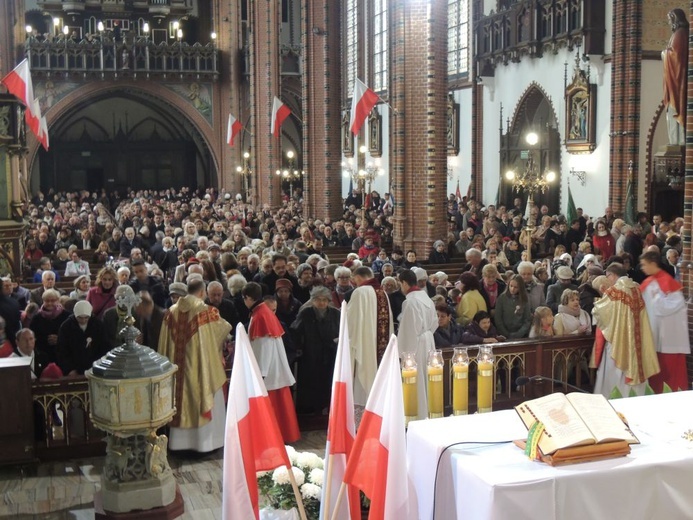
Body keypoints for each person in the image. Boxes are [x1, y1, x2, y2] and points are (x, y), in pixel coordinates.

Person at [159, 279, 231, 452]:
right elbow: (224, 330)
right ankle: (205, 444)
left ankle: (178, 444)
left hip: (176, 370)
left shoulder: (170, 312)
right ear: (202, 292)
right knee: (203, 391)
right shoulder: (206, 311)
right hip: (201, 368)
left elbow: (163, 344)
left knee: (180, 399)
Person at [591, 263, 660, 398]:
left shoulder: (614, 291)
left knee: (615, 371)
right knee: (636, 368)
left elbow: (599, 313)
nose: (608, 279)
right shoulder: (637, 288)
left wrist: (599, 299)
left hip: (619, 340)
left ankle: (615, 399)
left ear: (612, 275)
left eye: (607, 276)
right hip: (637, 340)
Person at [242, 282, 300, 443]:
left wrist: (260, 373)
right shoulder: (263, 312)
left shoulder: (260, 315)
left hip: (267, 372)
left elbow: (263, 346)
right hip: (272, 369)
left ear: (247, 297)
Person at [639, 251, 690, 392]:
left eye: (644, 264)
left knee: (670, 376)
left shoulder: (667, 281)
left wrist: (657, 300)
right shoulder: (649, 282)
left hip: (668, 339)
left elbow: (675, 305)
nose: (642, 268)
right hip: (654, 336)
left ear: (652, 263)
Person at [346, 266, 394, 408]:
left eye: (354, 280)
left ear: (359, 277)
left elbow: (351, 321)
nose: (354, 283)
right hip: (380, 345)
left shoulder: (359, 292)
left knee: (364, 376)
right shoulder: (382, 292)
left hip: (365, 344)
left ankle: (363, 412)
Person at [290, 286, 340, 415]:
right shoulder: (306, 313)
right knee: (311, 382)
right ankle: (310, 409)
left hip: (330, 353)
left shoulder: (336, 313)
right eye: (318, 300)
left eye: (324, 300)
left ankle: (327, 406)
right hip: (310, 353)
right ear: (313, 301)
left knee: (327, 381)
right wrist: (299, 348)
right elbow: (295, 330)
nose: (321, 303)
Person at [397, 269, 437, 420]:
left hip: (417, 344)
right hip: (428, 340)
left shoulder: (410, 301)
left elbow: (408, 331)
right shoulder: (425, 297)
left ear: (405, 283)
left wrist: (403, 354)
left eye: (400, 283)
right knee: (427, 377)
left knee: (417, 379)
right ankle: (428, 411)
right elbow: (435, 323)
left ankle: (417, 415)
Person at [57, 301, 108, 376]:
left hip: (96, 367)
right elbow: (62, 350)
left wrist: (100, 366)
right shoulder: (66, 327)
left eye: (86, 317)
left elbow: (104, 346)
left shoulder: (97, 325)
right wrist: (69, 369)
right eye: (80, 318)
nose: (83, 320)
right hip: (74, 369)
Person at [662, 8, 689, 145]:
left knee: (676, 110)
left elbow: (676, 56)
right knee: (671, 112)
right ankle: (676, 142)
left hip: (677, 83)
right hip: (673, 81)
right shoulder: (678, 34)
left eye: (670, 19)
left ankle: (679, 142)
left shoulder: (680, 34)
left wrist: (664, 53)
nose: (669, 22)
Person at [494, 275, 531, 339]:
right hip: (504, 335)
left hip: (521, 335)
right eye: (511, 286)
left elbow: (527, 320)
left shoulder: (524, 299)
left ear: (520, 288)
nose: (512, 289)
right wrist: (506, 334)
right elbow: (498, 319)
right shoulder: (501, 298)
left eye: (516, 287)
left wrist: (518, 334)